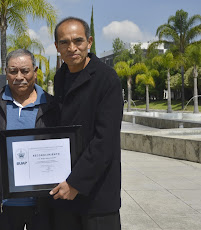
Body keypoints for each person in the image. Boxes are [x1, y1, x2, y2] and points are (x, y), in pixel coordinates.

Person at [49, 17, 123, 229]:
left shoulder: (106, 79)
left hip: (97, 193)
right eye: (64, 42)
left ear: (89, 42)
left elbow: (105, 140)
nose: (72, 48)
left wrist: (76, 183)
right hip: (64, 190)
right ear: (56, 47)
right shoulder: (61, 76)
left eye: (78, 41)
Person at [0, 49, 59, 230]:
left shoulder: (52, 106)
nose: (19, 76)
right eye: (13, 71)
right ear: (6, 72)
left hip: (42, 205)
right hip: (3, 205)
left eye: (25, 70)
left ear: (35, 71)